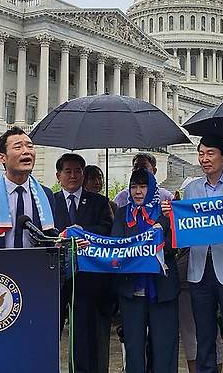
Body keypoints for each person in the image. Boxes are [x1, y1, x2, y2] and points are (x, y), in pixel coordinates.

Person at [163, 134, 223, 373]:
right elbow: (186, 229)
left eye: (210, 153)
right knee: (203, 333)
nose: (205, 159)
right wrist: (172, 218)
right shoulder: (192, 189)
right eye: (201, 153)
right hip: (199, 270)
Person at [112, 168, 179, 373]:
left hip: (162, 289)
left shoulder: (166, 212)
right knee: (133, 347)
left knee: (164, 347)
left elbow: (175, 246)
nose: (138, 192)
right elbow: (116, 245)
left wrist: (156, 243)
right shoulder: (123, 213)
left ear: (152, 189)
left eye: (143, 187)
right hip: (131, 290)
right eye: (134, 187)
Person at [53, 153, 113, 373]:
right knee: (51, 331)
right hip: (56, 277)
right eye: (67, 171)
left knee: (84, 335)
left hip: (86, 279)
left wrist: (83, 234)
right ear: (58, 175)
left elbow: (107, 230)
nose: (73, 176)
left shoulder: (98, 201)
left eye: (78, 171)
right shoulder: (50, 202)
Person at [83, 164, 116, 373]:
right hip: (78, 278)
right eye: (92, 177)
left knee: (101, 334)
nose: (97, 182)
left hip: (102, 278)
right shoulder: (60, 202)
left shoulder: (109, 205)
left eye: (99, 177)